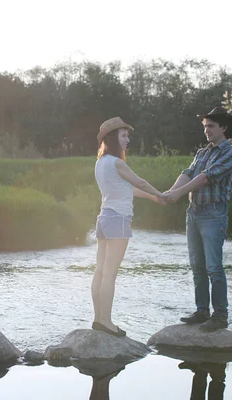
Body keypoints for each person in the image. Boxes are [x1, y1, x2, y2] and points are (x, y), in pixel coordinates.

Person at [164, 107, 232, 332]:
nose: (206, 130)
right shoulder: (202, 153)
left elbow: (205, 177)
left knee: (214, 267)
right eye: (205, 126)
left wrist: (177, 194)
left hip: (214, 215)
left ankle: (220, 315)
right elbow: (188, 172)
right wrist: (169, 192)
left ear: (223, 128)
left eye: (211, 126)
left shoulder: (231, 153)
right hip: (194, 213)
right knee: (197, 266)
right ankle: (201, 311)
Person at [92, 117, 165, 337]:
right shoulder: (117, 162)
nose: (127, 140)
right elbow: (139, 182)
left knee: (100, 272)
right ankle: (106, 322)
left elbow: (127, 190)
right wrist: (160, 193)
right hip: (118, 220)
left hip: (104, 218)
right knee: (110, 274)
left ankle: (98, 319)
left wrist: (152, 199)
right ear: (113, 138)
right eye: (123, 136)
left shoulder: (101, 163)